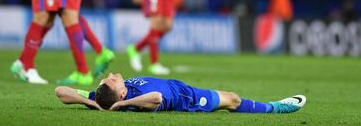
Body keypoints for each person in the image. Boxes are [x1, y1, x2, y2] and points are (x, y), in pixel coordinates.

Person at [55, 72, 307, 113]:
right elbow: (156, 98)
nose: (111, 76)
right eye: (111, 80)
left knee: (231, 98)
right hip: (188, 97)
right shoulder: (132, 101)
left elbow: (60, 91)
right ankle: (276, 108)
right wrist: (121, 107)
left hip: (179, 85)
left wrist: (94, 104)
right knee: (232, 99)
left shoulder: (100, 97)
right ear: (121, 95)